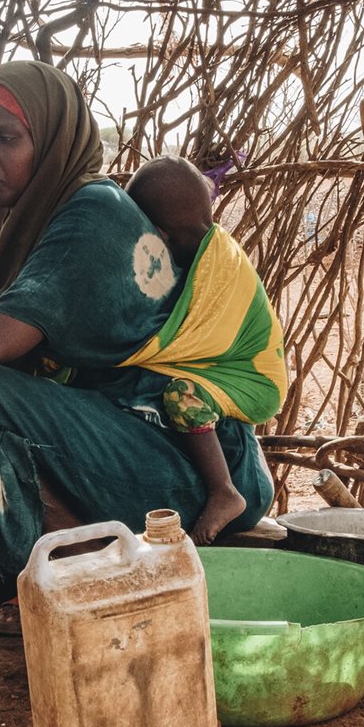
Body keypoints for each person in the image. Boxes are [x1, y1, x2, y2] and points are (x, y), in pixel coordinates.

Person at [0, 60, 273, 634]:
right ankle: (2, 550)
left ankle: (70, 559)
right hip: (110, 429)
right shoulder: (37, 210)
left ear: (52, 138)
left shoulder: (93, 212)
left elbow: (0, 341)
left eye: (7, 138)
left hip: (183, 465)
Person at [124, 157, 289, 543]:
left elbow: (191, 333)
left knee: (183, 394)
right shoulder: (199, 254)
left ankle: (224, 491)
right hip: (228, 368)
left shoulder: (220, 266)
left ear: (160, 234)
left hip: (254, 377)